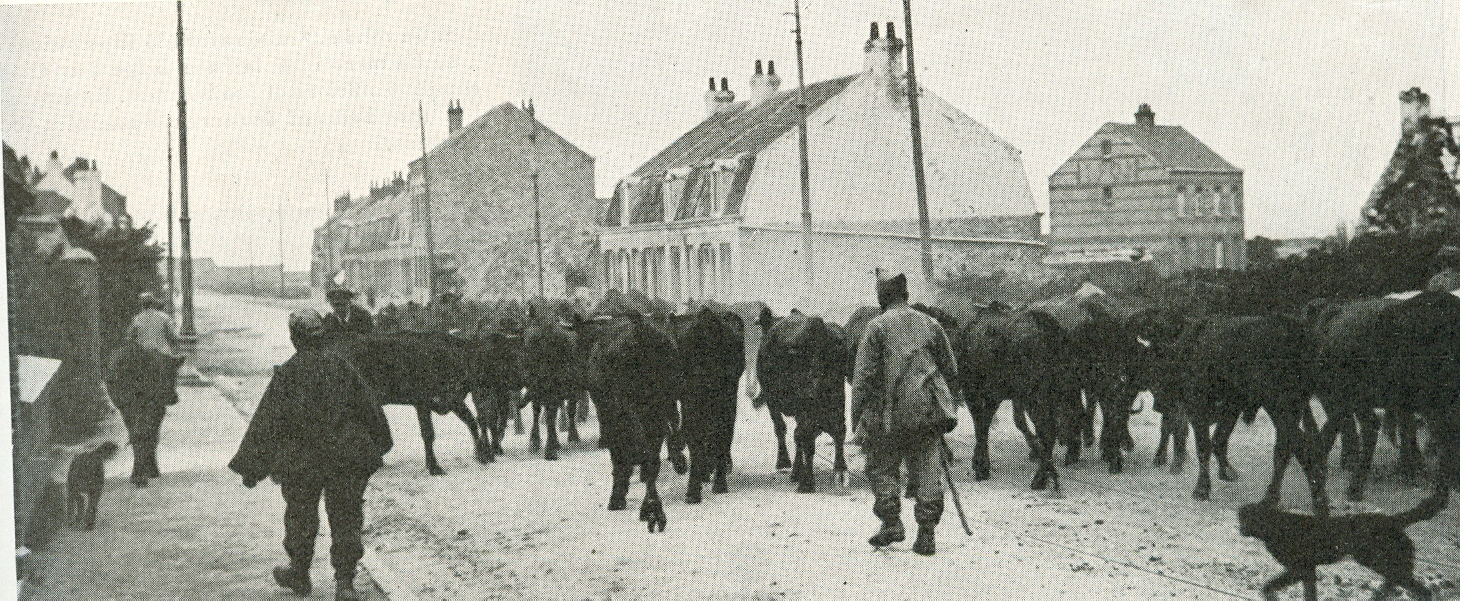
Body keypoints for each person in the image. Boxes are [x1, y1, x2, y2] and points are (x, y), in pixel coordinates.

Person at [228, 310, 392, 601]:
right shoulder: (342, 367)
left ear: (294, 339)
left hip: (302, 461)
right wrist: (380, 444)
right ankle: (345, 583)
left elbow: (266, 423)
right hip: (345, 458)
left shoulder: (288, 374)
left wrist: (251, 468)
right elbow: (371, 409)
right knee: (346, 516)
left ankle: (300, 574)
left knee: (301, 516)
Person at [849, 272, 959, 556]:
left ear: (881, 297)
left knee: (881, 465)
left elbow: (862, 377)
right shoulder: (930, 323)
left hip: (887, 415)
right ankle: (926, 533)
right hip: (925, 412)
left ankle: (891, 522)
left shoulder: (875, 328)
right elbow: (951, 368)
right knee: (927, 468)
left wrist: (857, 416)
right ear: (906, 294)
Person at [126, 292, 178, 357]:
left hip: (144, 355)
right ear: (153, 303)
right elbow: (173, 335)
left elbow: (129, 337)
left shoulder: (137, 319)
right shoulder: (164, 317)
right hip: (162, 353)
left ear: (141, 305)